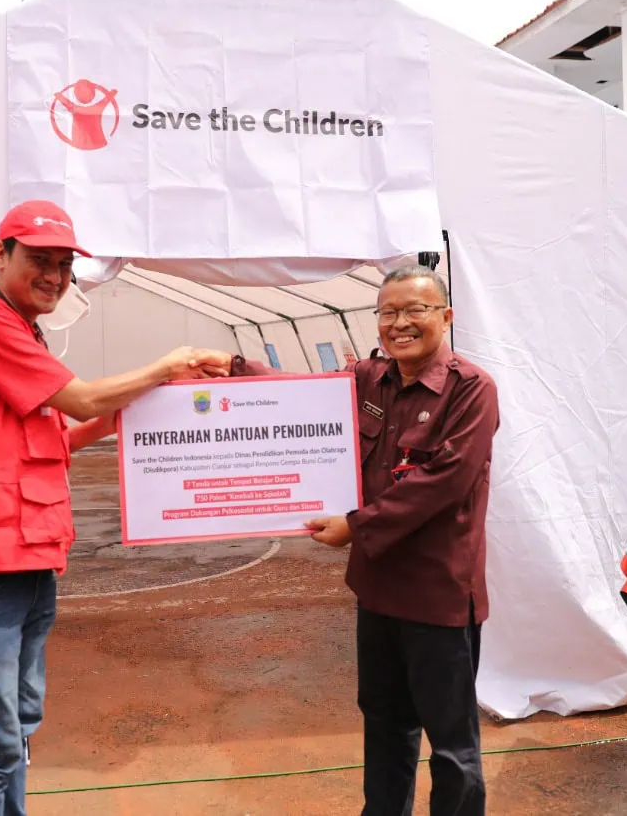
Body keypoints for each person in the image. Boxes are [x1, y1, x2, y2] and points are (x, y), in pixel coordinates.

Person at [0, 199, 229, 816]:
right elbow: (82, 400)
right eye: (40, 260)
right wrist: (164, 366)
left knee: (16, 724)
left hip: (25, 555)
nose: (55, 276)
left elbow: (61, 433)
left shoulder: (18, 328)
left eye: (64, 265)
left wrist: (154, 398)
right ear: (0, 254)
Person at [208, 265, 498, 816]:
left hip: (437, 595)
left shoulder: (471, 390)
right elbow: (303, 395)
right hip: (378, 588)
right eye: (388, 312)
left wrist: (355, 526)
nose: (400, 323)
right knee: (385, 724)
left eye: (415, 310)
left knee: (451, 742)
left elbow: (444, 481)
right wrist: (234, 367)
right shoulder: (369, 378)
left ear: (445, 317)